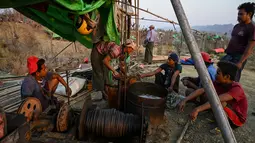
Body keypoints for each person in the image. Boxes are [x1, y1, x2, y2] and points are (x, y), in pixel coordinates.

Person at [179, 61, 248, 127]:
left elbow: (217, 100)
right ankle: (208, 110)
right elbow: (202, 90)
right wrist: (185, 100)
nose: (215, 75)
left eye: (218, 73)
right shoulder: (218, 83)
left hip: (236, 117)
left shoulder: (237, 88)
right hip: (221, 107)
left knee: (221, 102)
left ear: (227, 77)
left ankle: (221, 124)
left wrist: (197, 109)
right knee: (190, 92)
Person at [221, 2, 255, 82]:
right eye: (238, 14)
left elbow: (249, 48)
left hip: (238, 58)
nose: (238, 17)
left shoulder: (252, 28)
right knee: (221, 76)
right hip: (229, 55)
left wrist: (240, 62)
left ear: (249, 14)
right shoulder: (237, 26)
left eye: (241, 14)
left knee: (231, 80)